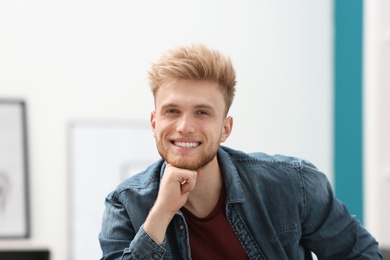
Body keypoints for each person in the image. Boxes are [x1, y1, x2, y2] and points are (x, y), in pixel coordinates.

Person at [99, 44, 382, 259]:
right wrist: (162, 212)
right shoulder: (125, 204)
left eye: (202, 112)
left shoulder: (295, 185)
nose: (184, 126)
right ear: (154, 122)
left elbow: (362, 254)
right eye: (172, 111)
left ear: (225, 128)